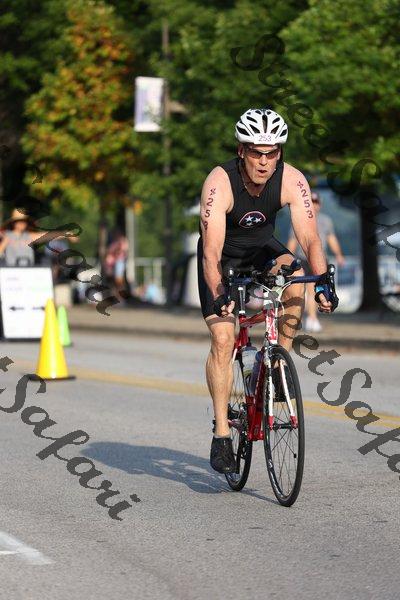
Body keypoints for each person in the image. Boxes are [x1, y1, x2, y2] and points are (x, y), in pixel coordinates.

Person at [198, 108, 338, 474]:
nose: (264, 161)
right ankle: (222, 432)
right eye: (256, 152)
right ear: (241, 150)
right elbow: (210, 251)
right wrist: (219, 292)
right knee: (223, 338)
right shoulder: (219, 182)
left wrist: (323, 281)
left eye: (271, 153)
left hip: (262, 249)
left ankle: (277, 363)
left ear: (280, 153)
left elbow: (310, 238)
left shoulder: (292, 179)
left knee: (296, 276)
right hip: (222, 259)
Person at [287, 191, 345, 332]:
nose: (314, 205)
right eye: (311, 202)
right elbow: (293, 240)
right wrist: (288, 258)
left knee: (319, 288)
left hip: (320, 259)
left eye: (316, 202)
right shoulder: (299, 219)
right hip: (303, 257)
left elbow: (331, 239)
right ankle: (310, 318)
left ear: (320, 204)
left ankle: (312, 317)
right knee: (307, 289)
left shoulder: (325, 221)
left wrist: (339, 255)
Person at [104, 228, 129, 302]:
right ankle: (115, 297)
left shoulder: (122, 241)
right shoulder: (114, 242)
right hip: (112, 264)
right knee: (113, 282)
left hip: (119, 262)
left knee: (119, 281)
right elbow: (109, 251)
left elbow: (123, 251)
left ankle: (121, 297)